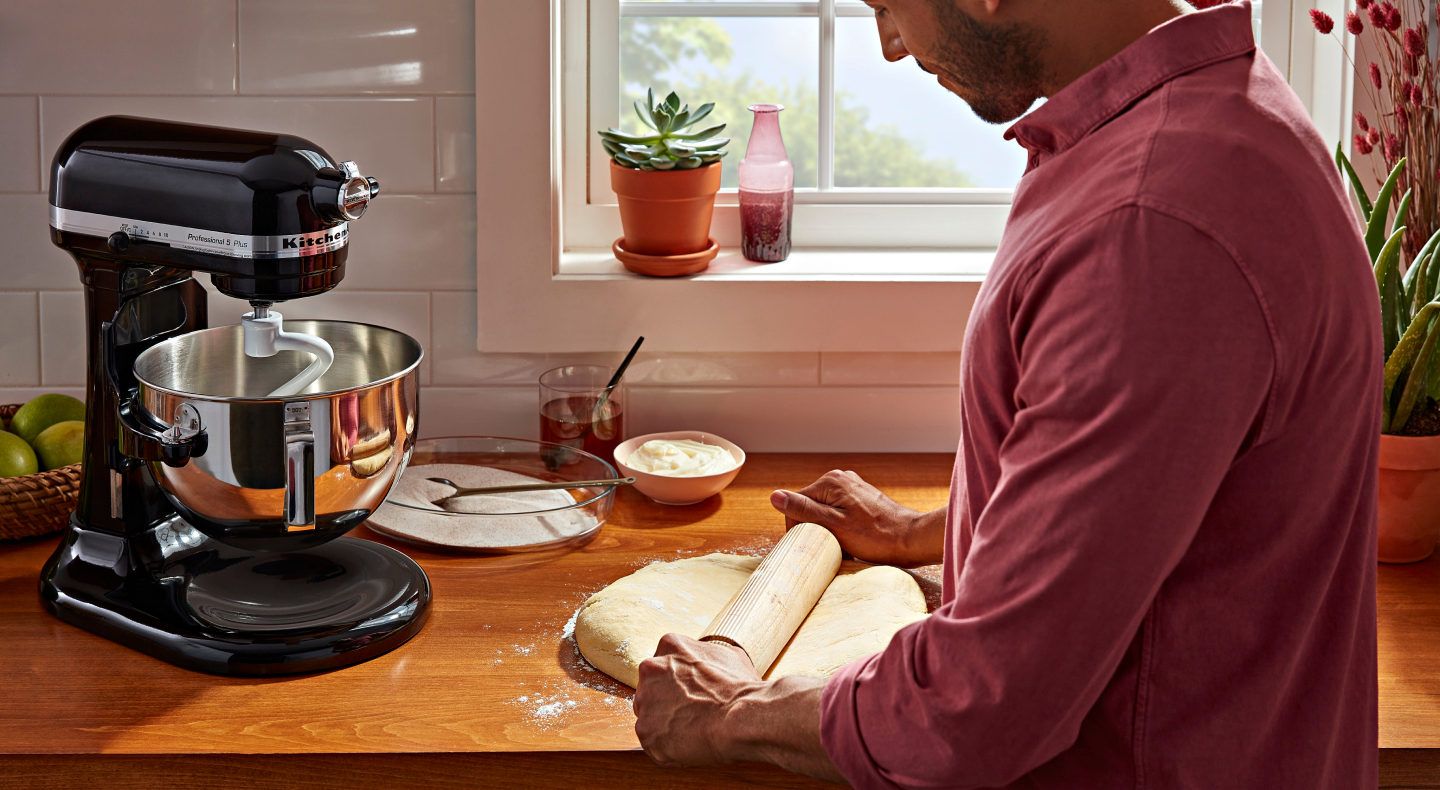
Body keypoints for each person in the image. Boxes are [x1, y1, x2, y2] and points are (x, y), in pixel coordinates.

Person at [632, 0, 1380, 787]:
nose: (889, 46)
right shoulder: (1230, 116)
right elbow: (1174, 509)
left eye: (886, 5)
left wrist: (733, 712)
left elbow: (978, 706)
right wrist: (928, 531)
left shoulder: (1149, 225)